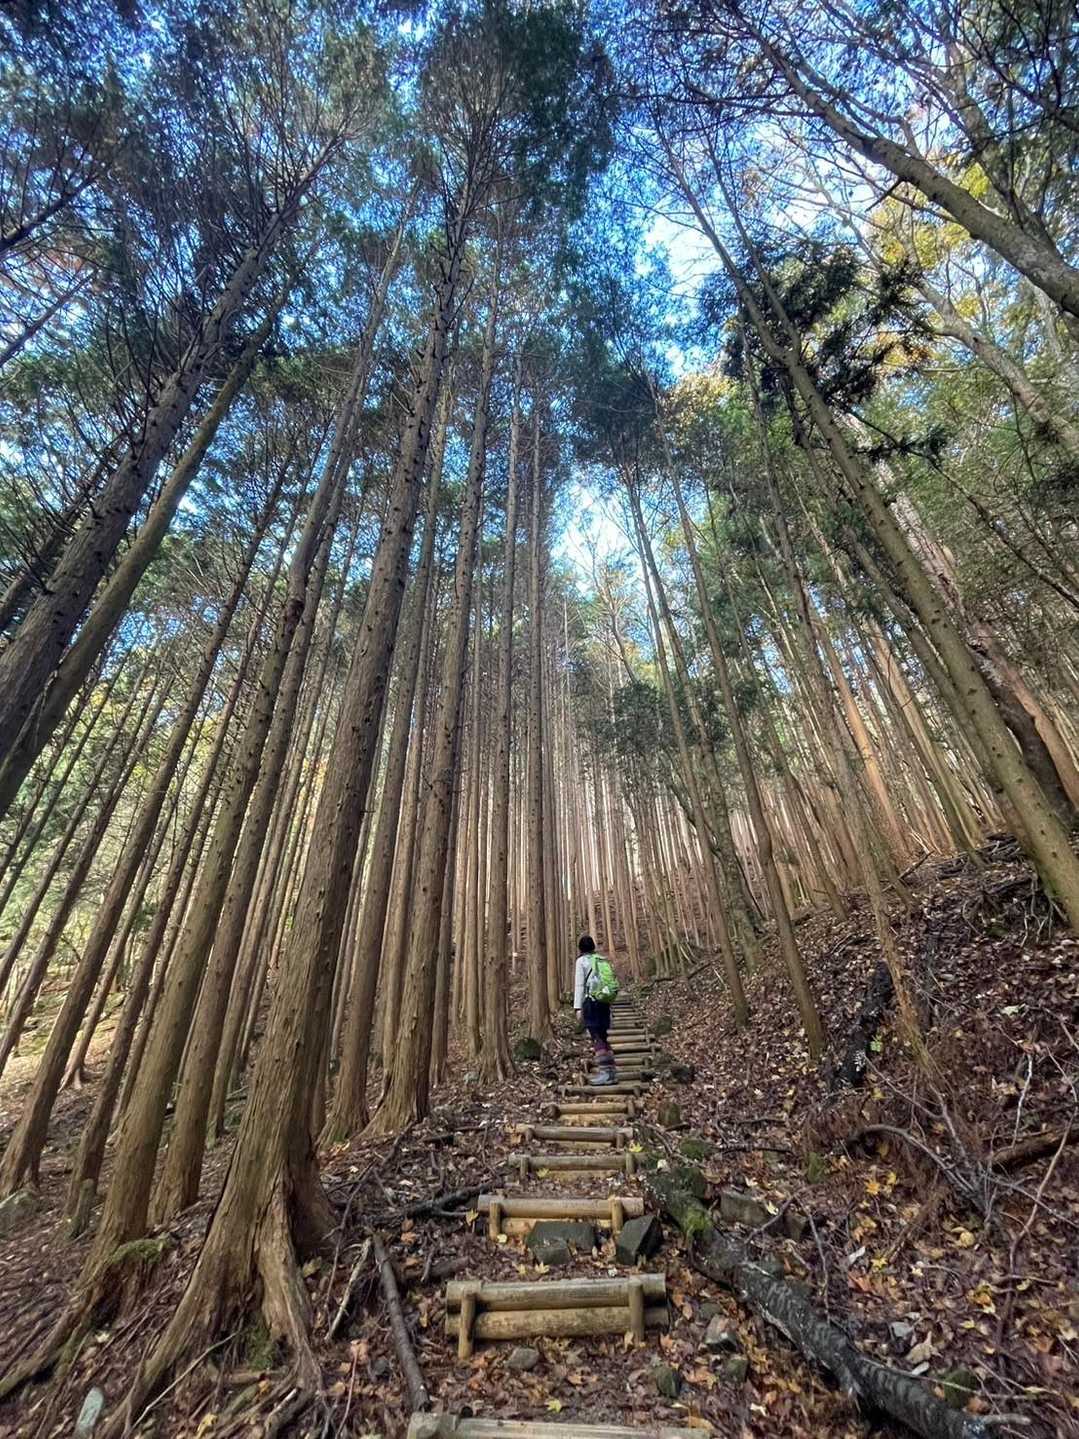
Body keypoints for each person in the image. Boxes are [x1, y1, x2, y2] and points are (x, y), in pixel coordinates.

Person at [573, 934, 615, 1074]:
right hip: (604, 1001)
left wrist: (578, 1008)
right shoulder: (601, 959)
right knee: (603, 1036)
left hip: (591, 1002)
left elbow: (579, 985)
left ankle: (605, 1073)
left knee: (596, 1037)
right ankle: (611, 1071)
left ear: (580, 948)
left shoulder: (581, 962)